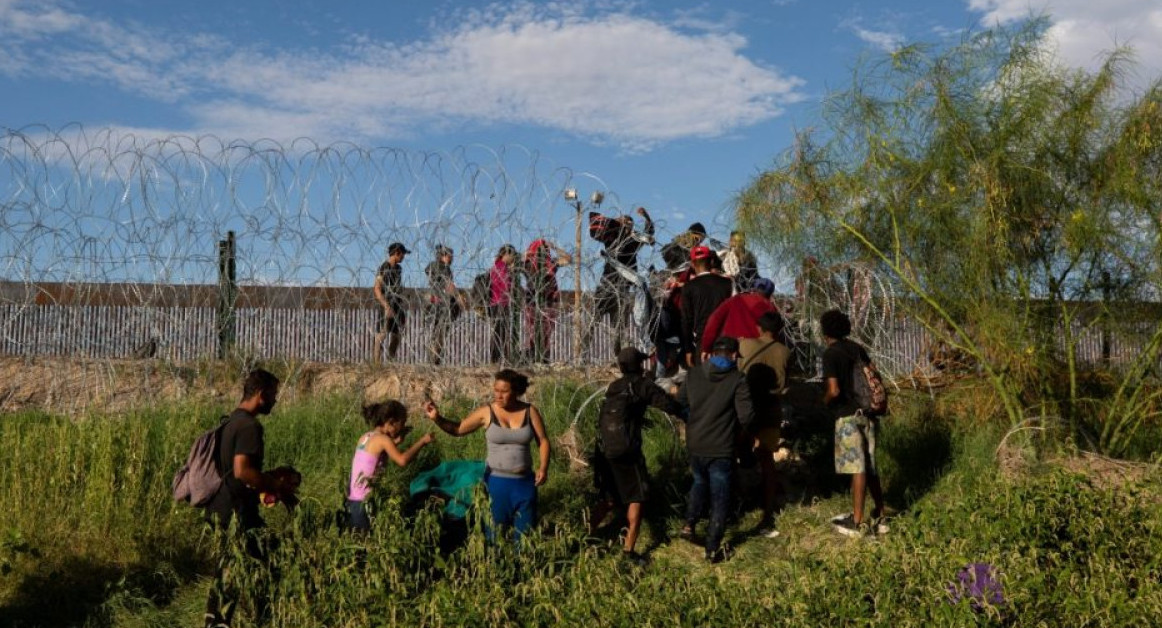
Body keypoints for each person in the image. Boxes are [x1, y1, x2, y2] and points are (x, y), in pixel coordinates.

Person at [204, 369, 297, 628]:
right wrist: (275, 485)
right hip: (237, 511)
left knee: (227, 569)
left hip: (221, 507)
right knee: (269, 560)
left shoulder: (230, 422)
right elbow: (242, 471)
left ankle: (217, 622)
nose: (276, 400)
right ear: (261, 394)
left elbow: (235, 473)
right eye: (274, 394)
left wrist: (266, 479)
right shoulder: (249, 426)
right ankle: (263, 616)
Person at [427, 369, 550, 544]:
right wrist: (437, 418)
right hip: (496, 483)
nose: (498, 396)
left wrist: (543, 468)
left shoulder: (530, 411)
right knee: (494, 536)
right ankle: (496, 568)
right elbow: (458, 429)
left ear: (515, 391)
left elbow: (543, 441)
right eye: (496, 390)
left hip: (525, 483)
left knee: (525, 538)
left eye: (504, 391)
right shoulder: (487, 412)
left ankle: (522, 570)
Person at [588, 347, 683, 564]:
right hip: (627, 451)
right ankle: (629, 551)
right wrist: (686, 410)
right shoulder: (641, 384)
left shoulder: (614, 386)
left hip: (605, 450)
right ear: (640, 365)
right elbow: (667, 405)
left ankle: (583, 535)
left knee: (608, 498)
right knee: (636, 496)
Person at [676, 336, 755, 563]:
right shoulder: (738, 380)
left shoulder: (693, 374)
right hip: (721, 447)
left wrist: (693, 421)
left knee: (699, 482)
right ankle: (712, 549)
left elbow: (679, 403)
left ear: (711, 354)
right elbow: (747, 416)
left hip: (696, 443)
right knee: (720, 498)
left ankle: (689, 524)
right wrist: (741, 434)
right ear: (732, 355)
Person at [820, 309, 888, 537]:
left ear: (825, 331)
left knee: (857, 468)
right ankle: (881, 515)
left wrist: (824, 401)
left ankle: (857, 522)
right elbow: (874, 375)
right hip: (868, 414)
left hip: (848, 416)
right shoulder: (856, 349)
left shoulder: (830, 354)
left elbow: (834, 389)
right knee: (870, 467)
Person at [738, 312, 791, 537]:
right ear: (778, 330)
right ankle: (768, 513)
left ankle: (737, 506)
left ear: (759, 327)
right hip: (770, 412)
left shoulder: (745, 344)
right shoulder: (786, 352)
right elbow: (786, 383)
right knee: (767, 461)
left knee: (736, 456)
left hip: (744, 411)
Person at [346, 400, 436, 532]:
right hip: (366, 502)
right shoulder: (384, 440)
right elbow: (402, 460)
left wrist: (396, 442)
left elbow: (377, 452)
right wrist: (423, 441)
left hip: (353, 500)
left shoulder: (366, 437)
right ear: (391, 422)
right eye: (402, 423)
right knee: (368, 542)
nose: (402, 428)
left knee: (358, 542)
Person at [585, 207, 655, 356]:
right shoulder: (612, 237)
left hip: (622, 288)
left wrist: (647, 217)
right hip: (607, 284)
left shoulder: (633, 242)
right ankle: (582, 352)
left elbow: (649, 234)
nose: (627, 226)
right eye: (625, 223)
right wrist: (616, 220)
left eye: (630, 224)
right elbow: (594, 218)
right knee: (593, 320)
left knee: (618, 327)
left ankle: (618, 357)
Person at [680, 246, 734, 367]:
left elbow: (686, 321)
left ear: (693, 265)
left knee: (705, 380)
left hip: (702, 343)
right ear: (711, 261)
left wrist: (688, 350)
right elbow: (734, 313)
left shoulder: (688, 288)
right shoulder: (727, 283)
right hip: (725, 341)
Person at [699, 277, 779, 357]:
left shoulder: (736, 299)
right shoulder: (771, 309)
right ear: (770, 294)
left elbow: (714, 319)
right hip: (754, 353)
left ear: (754, 288)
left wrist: (707, 347)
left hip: (728, 349)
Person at [523, 238, 570, 364]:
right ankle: (533, 358)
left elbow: (568, 259)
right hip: (532, 302)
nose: (543, 251)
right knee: (533, 333)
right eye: (540, 248)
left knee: (546, 333)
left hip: (549, 301)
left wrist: (554, 246)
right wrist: (526, 254)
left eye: (545, 249)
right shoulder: (528, 264)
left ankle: (544, 359)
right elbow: (515, 263)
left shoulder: (551, 263)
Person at [426, 245, 464, 365]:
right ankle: (435, 361)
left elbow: (427, 272)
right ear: (444, 256)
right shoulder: (444, 268)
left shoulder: (433, 266)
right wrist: (458, 297)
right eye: (450, 256)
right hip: (443, 304)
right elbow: (449, 285)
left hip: (434, 302)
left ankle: (433, 360)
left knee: (436, 333)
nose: (452, 259)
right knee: (441, 333)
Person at [373, 242, 410, 364]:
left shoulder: (399, 269)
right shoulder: (384, 267)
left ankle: (391, 361)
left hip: (397, 305)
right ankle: (376, 365)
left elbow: (397, 289)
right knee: (382, 334)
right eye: (403, 254)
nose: (403, 257)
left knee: (397, 335)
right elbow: (377, 288)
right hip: (387, 305)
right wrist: (386, 306)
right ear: (397, 253)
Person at [488, 244, 521, 364]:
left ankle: (498, 359)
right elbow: (506, 286)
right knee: (499, 333)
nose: (513, 258)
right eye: (512, 255)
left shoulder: (498, 266)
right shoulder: (501, 267)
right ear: (506, 255)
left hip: (499, 303)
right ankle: (496, 359)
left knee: (500, 333)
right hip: (500, 304)